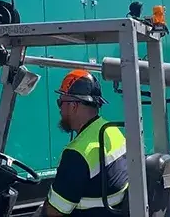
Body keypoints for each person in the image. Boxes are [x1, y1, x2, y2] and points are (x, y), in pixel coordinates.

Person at [40, 70, 128, 217]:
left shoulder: (77, 153)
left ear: (73, 106)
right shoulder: (111, 130)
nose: (60, 109)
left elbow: (54, 212)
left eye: (60, 102)